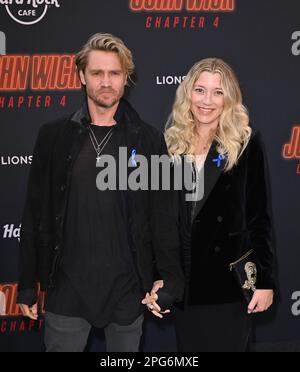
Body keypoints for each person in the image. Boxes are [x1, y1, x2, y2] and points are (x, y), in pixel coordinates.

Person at [17, 33, 184, 352]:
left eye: (115, 73)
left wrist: (170, 281)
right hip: (65, 290)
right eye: (97, 73)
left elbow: (163, 219)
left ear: (126, 78)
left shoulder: (149, 141)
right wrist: (26, 285)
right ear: (81, 76)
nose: (106, 82)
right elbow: (34, 213)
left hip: (127, 291)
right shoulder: (52, 137)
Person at [146, 58, 276, 352]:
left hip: (228, 284)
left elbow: (259, 217)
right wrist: (159, 277)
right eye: (200, 90)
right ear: (187, 93)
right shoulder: (170, 143)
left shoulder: (245, 143)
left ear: (229, 98)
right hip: (185, 284)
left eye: (218, 92)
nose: (207, 101)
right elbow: (162, 220)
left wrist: (265, 282)